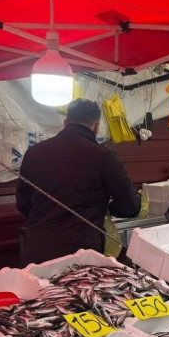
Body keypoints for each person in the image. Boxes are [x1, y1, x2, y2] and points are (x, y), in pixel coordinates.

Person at [16, 99, 141, 265]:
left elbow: (23, 204)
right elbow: (131, 207)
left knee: (40, 291)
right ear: (96, 126)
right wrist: (106, 208)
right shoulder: (104, 157)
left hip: (38, 249)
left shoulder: (34, 153)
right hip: (82, 253)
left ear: (66, 122)